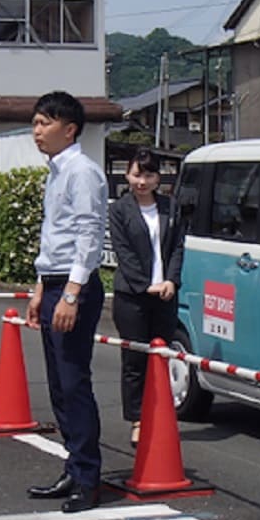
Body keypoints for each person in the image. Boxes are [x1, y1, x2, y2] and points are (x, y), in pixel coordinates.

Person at [25, 91, 108, 513]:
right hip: (54, 281)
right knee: (58, 384)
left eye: (44, 123)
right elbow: (52, 236)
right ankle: (73, 468)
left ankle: (89, 479)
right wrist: (42, 289)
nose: (36, 131)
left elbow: (89, 236)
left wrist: (71, 294)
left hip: (75, 286)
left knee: (74, 383)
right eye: (35, 123)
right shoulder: (56, 172)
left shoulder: (82, 172)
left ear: (69, 128)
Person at [108, 148, 184, 447]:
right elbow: (122, 252)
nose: (142, 181)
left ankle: (159, 415)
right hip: (132, 296)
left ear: (158, 178)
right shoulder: (119, 209)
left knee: (161, 357)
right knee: (134, 360)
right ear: (127, 174)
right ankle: (138, 419)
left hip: (164, 294)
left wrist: (171, 281)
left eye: (148, 175)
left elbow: (178, 246)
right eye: (137, 174)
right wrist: (144, 285)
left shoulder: (170, 206)